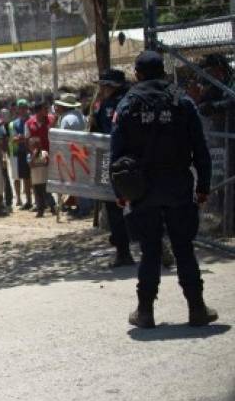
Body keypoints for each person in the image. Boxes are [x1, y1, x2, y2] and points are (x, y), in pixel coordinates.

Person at [111, 51, 217, 329]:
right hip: (179, 186)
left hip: (142, 189)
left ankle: (145, 312)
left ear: (138, 74)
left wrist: (119, 192)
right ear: (163, 72)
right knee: (184, 248)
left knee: (150, 251)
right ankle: (197, 309)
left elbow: (116, 154)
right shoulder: (182, 101)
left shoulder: (128, 105)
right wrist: (203, 185)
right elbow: (200, 149)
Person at [91, 69, 134, 268]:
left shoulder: (107, 105)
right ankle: (156, 246)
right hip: (136, 161)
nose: (102, 89)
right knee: (141, 204)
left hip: (114, 161)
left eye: (105, 85)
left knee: (115, 207)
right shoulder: (134, 101)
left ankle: (124, 253)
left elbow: (97, 132)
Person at [8, 99, 33, 209]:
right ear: (18, 109)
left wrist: (22, 138)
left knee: (35, 178)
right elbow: (14, 139)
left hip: (32, 152)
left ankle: (37, 200)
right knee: (25, 178)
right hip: (21, 153)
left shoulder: (32, 120)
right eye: (21, 108)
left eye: (24, 107)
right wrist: (24, 138)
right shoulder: (14, 123)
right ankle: (28, 201)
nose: (23, 110)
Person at [28, 137, 50, 217]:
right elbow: (30, 165)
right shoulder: (30, 155)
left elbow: (47, 162)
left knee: (47, 194)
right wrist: (34, 155)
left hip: (44, 178)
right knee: (38, 195)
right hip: (36, 179)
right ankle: (40, 211)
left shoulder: (44, 153)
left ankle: (52, 207)